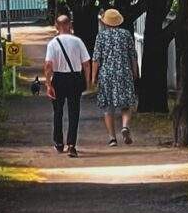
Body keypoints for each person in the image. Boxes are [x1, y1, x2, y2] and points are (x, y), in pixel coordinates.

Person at [44, 15, 90, 158]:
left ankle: (58, 142)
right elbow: (86, 63)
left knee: (58, 112)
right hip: (75, 78)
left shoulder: (53, 43)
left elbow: (48, 65)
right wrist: (87, 80)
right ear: (70, 25)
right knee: (74, 112)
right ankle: (71, 145)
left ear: (56, 26)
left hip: (58, 78)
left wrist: (48, 84)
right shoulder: (78, 41)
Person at [91, 8, 139, 147]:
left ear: (105, 23)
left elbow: (96, 58)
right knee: (127, 104)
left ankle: (112, 138)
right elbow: (133, 56)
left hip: (106, 74)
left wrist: (93, 77)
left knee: (108, 107)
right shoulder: (126, 35)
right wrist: (135, 72)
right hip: (124, 72)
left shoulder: (101, 36)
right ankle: (125, 126)